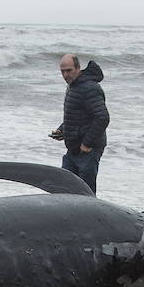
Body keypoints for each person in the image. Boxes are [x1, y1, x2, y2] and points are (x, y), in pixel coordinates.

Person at [50, 54, 109, 194]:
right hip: (73, 149)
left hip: (88, 150)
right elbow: (77, 116)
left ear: (78, 68)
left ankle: (92, 216)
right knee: (64, 188)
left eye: (69, 70)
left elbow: (102, 118)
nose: (65, 75)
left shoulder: (90, 88)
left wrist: (87, 144)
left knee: (85, 194)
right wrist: (62, 130)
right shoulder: (73, 86)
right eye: (62, 71)